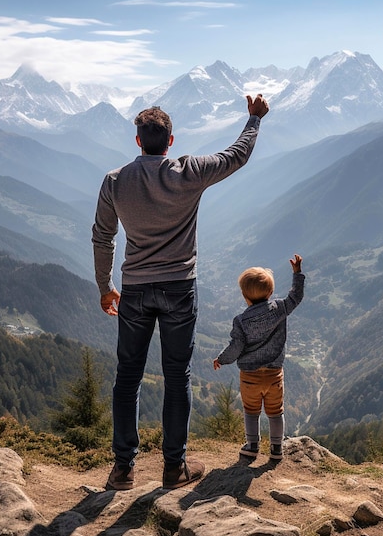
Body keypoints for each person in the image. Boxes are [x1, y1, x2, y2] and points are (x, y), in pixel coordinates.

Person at [92, 94, 270, 491]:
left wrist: (106, 287)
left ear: (138, 141)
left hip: (135, 290)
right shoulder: (189, 172)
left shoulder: (115, 181)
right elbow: (238, 155)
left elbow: (103, 236)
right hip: (179, 288)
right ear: (170, 141)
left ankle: (123, 469)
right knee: (177, 377)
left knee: (127, 378)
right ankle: (174, 469)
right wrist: (254, 118)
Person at [213, 254, 304, 461]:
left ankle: (253, 445)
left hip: (250, 376)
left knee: (251, 411)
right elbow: (296, 297)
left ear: (245, 296)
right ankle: (276, 449)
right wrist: (297, 274)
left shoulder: (241, 321)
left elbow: (236, 346)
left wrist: (222, 359)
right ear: (270, 292)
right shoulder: (280, 308)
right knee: (275, 411)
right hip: (274, 374)